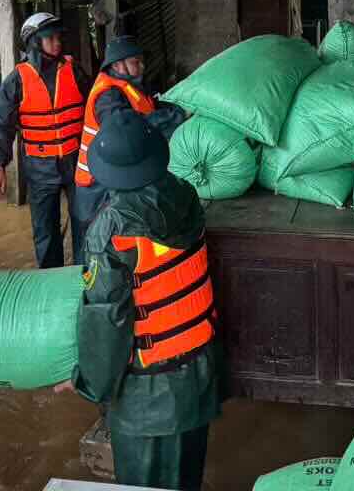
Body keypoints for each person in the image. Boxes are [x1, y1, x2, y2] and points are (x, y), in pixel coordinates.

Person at [61, 110, 225, 491]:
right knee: (187, 478)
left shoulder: (111, 230)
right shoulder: (184, 193)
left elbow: (106, 323)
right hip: (199, 371)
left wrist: (88, 382)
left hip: (148, 396)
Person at [0, 11, 91, 267]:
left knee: (84, 221)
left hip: (77, 160)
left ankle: (84, 274)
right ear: (34, 42)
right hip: (39, 165)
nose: (57, 42)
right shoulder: (16, 80)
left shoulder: (74, 70)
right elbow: (4, 126)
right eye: (50, 38)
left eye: (58, 37)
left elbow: (94, 107)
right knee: (45, 228)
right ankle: (50, 278)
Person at [74, 34, 186, 229]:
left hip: (117, 173)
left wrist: (174, 109)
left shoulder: (131, 86)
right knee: (101, 239)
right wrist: (177, 116)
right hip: (98, 184)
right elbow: (128, 129)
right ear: (117, 66)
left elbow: (150, 108)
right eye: (136, 62)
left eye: (142, 62)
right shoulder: (108, 97)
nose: (142, 67)